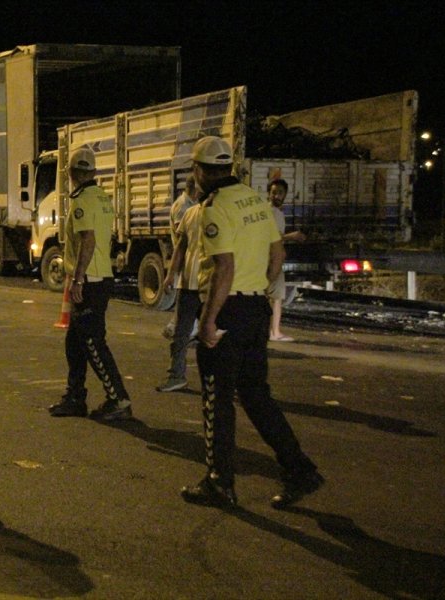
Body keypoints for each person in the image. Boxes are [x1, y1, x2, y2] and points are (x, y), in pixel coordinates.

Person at [180, 136, 324, 509]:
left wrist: (209, 320)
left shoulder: (215, 208)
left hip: (228, 312)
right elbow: (278, 251)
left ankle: (219, 482)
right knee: (256, 396)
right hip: (256, 308)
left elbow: (223, 268)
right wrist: (260, 285)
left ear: (199, 171)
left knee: (217, 399)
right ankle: (300, 469)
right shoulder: (256, 201)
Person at [48, 146, 132, 421]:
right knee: (75, 343)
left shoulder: (82, 200)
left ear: (71, 173)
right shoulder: (102, 197)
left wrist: (78, 278)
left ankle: (118, 399)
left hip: (90, 279)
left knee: (93, 342)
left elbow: (88, 240)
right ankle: (75, 397)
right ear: (94, 172)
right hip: (100, 275)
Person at [157, 179, 203, 392]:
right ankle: (176, 375)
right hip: (192, 282)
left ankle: (180, 375)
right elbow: (180, 248)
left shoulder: (206, 213)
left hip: (203, 284)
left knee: (193, 334)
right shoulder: (190, 213)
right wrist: (170, 276)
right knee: (182, 334)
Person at [267, 179, 306, 342]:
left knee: (274, 296)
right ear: (268, 193)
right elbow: (272, 236)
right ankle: (274, 332)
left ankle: (273, 331)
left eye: (280, 193)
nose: (277, 196)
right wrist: (293, 236)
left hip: (272, 257)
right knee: (276, 296)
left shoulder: (277, 212)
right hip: (272, 258)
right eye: (274, 192)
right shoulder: (272, 212)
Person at [162, 175, 199, 340]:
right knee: (187, 296)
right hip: (186, 258)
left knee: (187, 298)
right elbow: (182, 237)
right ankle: (181, 330)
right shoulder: (182, 206)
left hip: (189, 257)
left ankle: (175, 327)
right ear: (195, 189)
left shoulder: (191, 205)